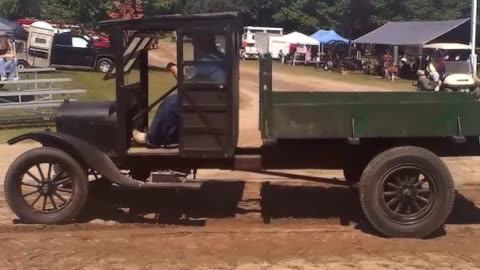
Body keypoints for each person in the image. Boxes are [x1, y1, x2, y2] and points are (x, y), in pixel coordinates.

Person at [133, 33, 226, 148]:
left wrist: (173, 68)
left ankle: (152, 139)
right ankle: (171, 137)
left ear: (203, 43)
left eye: (195, 41)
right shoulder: (216, 57)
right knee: (174, 101)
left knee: (170, 103)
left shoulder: (208, 61)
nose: (193, 44)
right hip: (212, 99)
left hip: (208, 104)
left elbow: (186, 83)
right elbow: (195, 78)